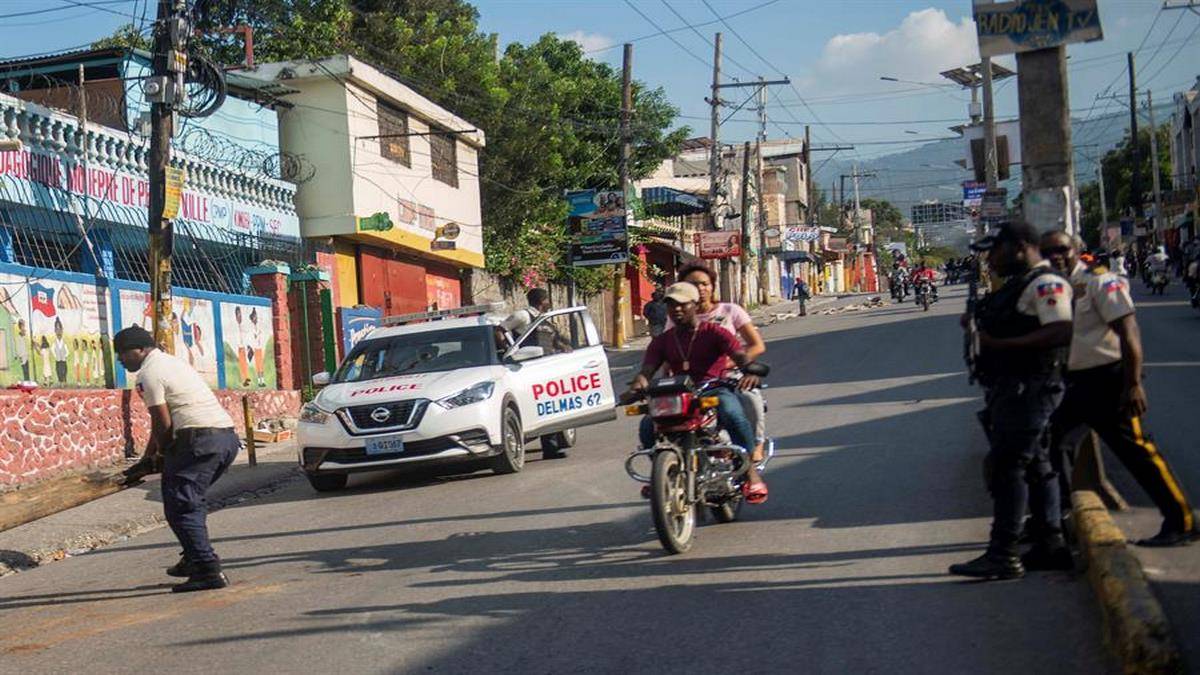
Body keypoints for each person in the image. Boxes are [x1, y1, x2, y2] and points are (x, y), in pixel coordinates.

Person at [1041, 232, 1196, 547]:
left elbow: (1129, 332)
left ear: (1077, 250)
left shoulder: (1101, 281)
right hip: (1076, 382)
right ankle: (1060, 520)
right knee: (1053, 440)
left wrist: (1133, 383)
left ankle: (1181, 521)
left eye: (1061, 249)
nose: (1056, 256)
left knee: (1137, 451)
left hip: (1109, 380)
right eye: (1048, 252)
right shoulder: (1056, 288)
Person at [950, 222, 1074, 580]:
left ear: (1020, 246)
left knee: (1008, 467)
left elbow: (1060, 330)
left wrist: (998, 345)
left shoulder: (1046, 283)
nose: (991, 259)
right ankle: (1051, 543)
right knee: (1036, 465)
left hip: (1030, 388)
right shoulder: (1020, 285)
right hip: (1013, 387)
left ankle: (1003, 553)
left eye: (996, 250)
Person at [114, 326, 240, 593]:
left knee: (182, 507)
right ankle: (192, 557)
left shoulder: (149, 373)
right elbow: (161, 424)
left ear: (140, 349)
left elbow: (162, 422)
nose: (120, 359)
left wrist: (160, 454)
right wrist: (148, 459)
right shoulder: (171, 363)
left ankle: (207, 569)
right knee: (187, 501)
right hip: (225, 440)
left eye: (123, 353)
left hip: (199, 441)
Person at [624, 282, 765, 503]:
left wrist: (750, 370)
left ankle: (749, 471)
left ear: (695, 305)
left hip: (713, 388)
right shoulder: (662, 341)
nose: (676, 310)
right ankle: (661, 475)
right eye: (671, 305)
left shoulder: (715, 332)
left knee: (732, 413)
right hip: (677, 393)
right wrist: (637, 387)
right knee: (647, 425)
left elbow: (739, 356)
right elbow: (647, 370)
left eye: (682, 304)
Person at [674, 264, 769, 502]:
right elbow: (665, 353)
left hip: (730, 375)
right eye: (693, 284)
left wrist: (732, 365)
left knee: (747, 397)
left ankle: (753, 454)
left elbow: (756, 346)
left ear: (712, 287)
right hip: (690, 381)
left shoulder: (729, 311)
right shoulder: (676, 317)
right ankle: (669, 471)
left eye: (704, 283)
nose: (700, 289)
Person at [502, 288, 571, 354]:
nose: (549, 303)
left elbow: (548, 339)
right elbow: (499, 330)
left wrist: (563, 346)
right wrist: (509, 350)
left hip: (546, 357)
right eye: (547, 299)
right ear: (542, 301)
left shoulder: (542, 317)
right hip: (529, 360)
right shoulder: (523, 315)